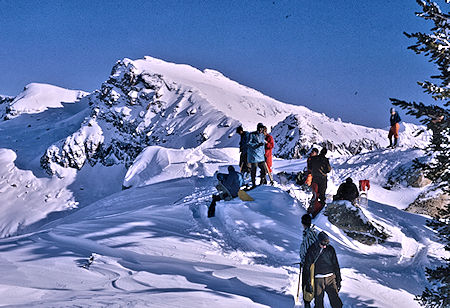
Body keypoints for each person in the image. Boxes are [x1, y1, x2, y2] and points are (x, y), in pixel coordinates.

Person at [303, 232, 343, 308]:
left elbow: (336, 265)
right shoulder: (312, 249)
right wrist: (308, 283)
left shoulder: (330, 249)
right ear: (318, 241)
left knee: (336, 301)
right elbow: (307, 267)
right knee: (318, 302)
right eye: (323, 244)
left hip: (331, 278)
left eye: (326, 244)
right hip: (318, 279)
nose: (324, 246)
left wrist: (338, 279)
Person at [299, 214, 319, 308]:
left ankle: (308, 305)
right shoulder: (312, 233)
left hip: (308, 264)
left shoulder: (309, 234)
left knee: (307, 286)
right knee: (310, 285)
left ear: (303, 223)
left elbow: (306, 249)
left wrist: (303, 260)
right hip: (311, 263)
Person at [308, 148, 332, 217]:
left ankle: (312, 208)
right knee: (322, 195)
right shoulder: (325, 160)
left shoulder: (314, 158)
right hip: (322, 179)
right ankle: (320, 211)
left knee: (315, 194)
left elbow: (309, 167)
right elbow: (328, 170)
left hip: (314, 178)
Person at [247, 123, 267, 187]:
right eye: (260, 128)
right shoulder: (252, 135)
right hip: (254, 155)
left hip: (261, 156)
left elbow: (263, 146)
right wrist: (256, 145)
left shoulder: (262, 135)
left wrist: (264, 154)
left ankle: (262, 181)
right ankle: (253, 183)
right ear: (258, 128)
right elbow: (248, 143)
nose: (261, 129)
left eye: (262, 128)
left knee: (264, 169)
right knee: (254, 170)